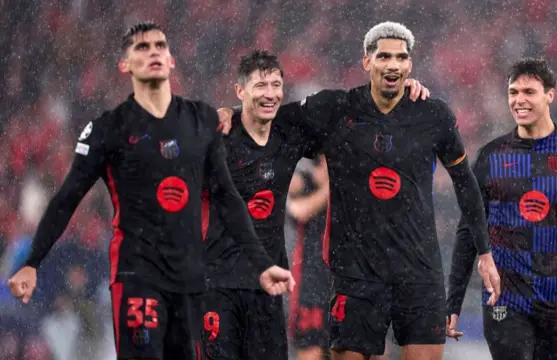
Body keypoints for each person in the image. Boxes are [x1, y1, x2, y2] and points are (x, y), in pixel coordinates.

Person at [6, 22, 293, 360]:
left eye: (160, 45)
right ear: (124, 65)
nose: (154, 51)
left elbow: (226, 198)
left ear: (172, 61)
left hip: (190, 280)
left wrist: (261, 262)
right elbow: (67, 197)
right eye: (142, 48)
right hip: (137, 276)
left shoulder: (200, 120)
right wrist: (32, 261)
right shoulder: (108, 128)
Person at [218, 21, 501, 360]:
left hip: (419, 271)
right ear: (367, 62)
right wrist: (231, 112)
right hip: (356, 276)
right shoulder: (336, 110)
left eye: (400, 57)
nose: (392, 64)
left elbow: (464, 183)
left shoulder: (433, 114)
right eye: (383, 56)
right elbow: (272, 117)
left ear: (410, 64)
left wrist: (484, 252)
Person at [199, 50, 428, 360]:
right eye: (260, 86)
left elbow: (353, 112)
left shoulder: (288, 134)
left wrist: (395, 89)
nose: (270, 93)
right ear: (240, 90)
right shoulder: (217, 137)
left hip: (269, 286)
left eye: (276, 85)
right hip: (219, 281)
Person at [445, 57, 557, 360]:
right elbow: (467, 230)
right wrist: (453, 301)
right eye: (513, 92)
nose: (519, 100)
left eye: (528, 92)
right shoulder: (491, 157)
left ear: (550, 95)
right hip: (504, 299)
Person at [287, 155, 332, 360]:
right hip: (310, 284)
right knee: (311, 350)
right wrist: (331, 187)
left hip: (342, 282)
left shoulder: (351, 189)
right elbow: (299, 211)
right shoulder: (303, 182)